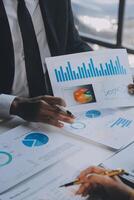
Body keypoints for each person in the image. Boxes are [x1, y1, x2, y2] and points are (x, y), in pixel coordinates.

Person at [0, 0, 92, 127]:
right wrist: (15, 105)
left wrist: (117, 73)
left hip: (53, 108)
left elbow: (72, 44)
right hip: (5, 115)